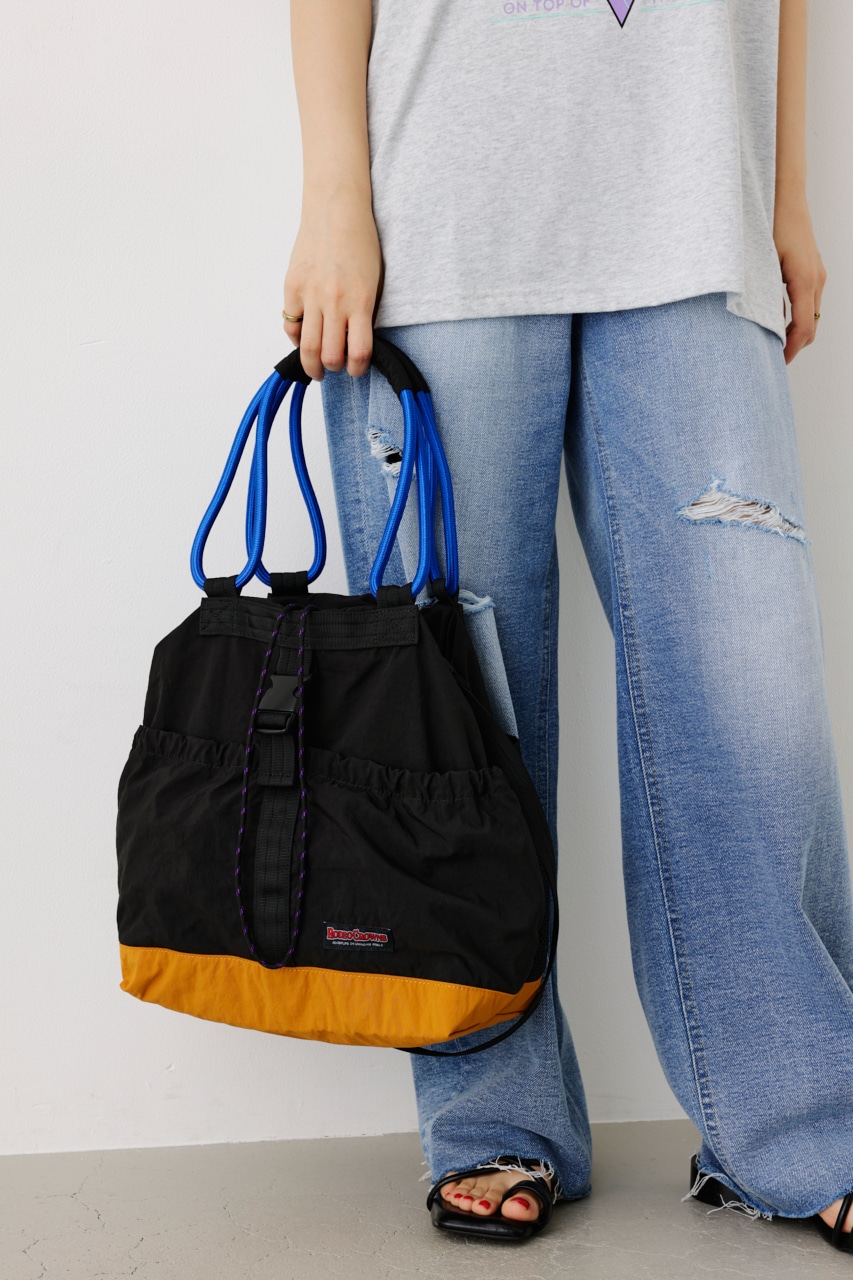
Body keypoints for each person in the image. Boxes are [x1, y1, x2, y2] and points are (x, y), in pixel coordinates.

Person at [281, 0, 853, 1253]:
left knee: (750, 691)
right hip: (442, 218)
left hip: (697, 209)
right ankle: (495, 1118)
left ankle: (807, 1121)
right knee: (456, 711)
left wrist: (784, 193)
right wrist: (334, 197)